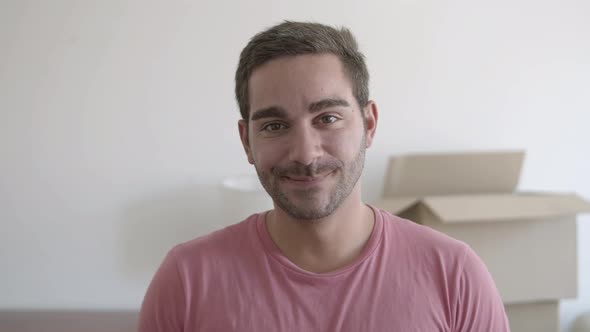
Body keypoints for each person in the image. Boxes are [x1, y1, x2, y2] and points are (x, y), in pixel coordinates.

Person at [137, 21, 510, 331]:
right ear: (246, 141)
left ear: (368, 123)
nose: (304, 153)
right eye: (275, 125)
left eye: (327, 118)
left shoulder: (454, 275)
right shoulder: (186, 281)